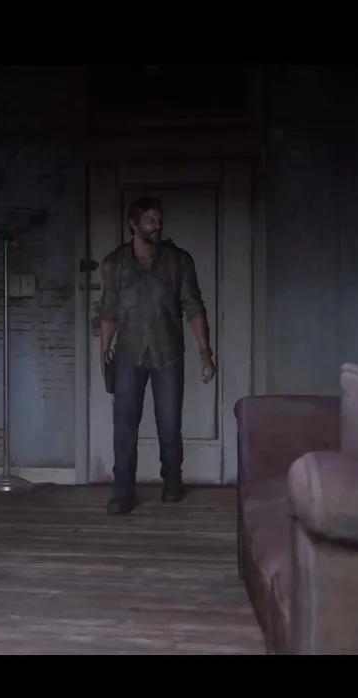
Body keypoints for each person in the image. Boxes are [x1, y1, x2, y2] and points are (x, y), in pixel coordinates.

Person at [98, 197, 215, 516]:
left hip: (168, 351)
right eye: (150, 219)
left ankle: (172, 481)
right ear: (133, 224)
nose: (157, 225)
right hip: (128, 354)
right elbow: (108, 311)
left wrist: (205, 351)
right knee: (124, 425)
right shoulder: (114, 264)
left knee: (169, 422)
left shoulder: (179, 261)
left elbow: (193, 306)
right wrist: (104, 351)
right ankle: (123, 491)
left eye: (159, 219)